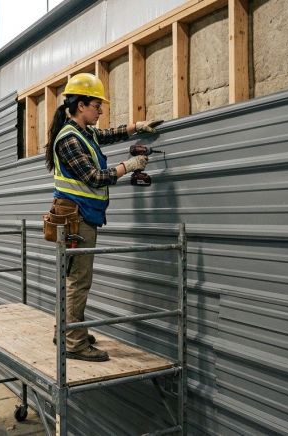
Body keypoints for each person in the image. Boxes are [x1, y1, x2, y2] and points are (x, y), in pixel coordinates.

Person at [45, 73, 162, 362]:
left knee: (73, 278)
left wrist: (137, 127)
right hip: (77, 217)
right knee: (78, 280)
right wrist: (129, 165)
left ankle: (68, 330)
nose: (101, 110)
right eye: (97, 105)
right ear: (81, 105)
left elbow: (109, 134)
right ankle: (73, 342)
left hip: (82, 215)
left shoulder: (84, 133)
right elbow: (95, 177)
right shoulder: (69, 139)